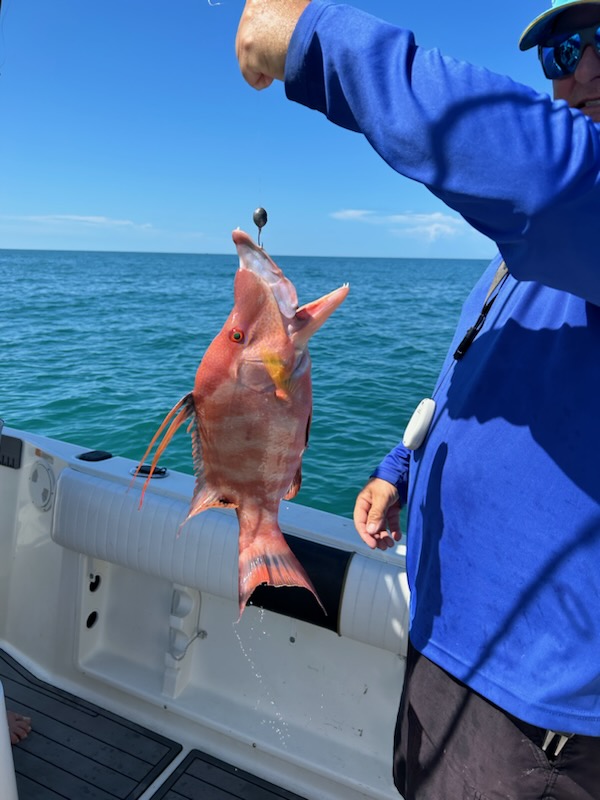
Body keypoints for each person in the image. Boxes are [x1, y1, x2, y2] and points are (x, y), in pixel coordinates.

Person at [236, 0, 600, 797]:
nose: (578, 70)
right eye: (561, 50)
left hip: (541, 710)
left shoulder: (571, 211)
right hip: (453, 644)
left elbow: (542, 180)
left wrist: (312, 38)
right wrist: (401, 465)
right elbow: (474, 368)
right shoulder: (526, 263)